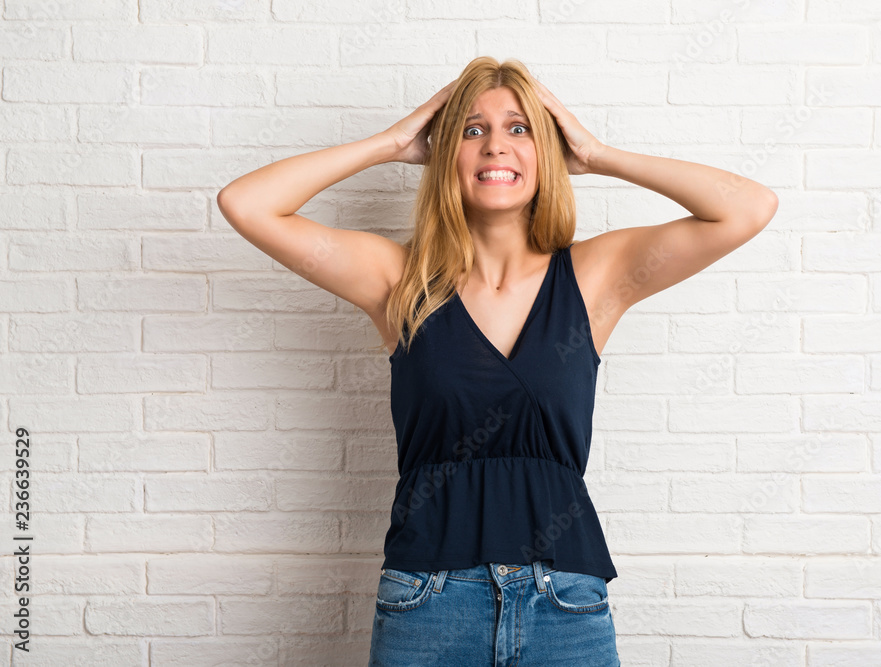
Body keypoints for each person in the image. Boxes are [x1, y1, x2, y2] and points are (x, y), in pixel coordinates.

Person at [218, 56, 777, 666]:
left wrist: (597, 154)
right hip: (426, 602)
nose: (495, 147)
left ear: (548, 150)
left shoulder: (595, 277)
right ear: (443, 152)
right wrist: (390, 143)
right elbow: (246, 203)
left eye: (519, 129)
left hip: (564, 603)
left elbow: (747, 207)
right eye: (471, 129)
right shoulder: (398, 281)